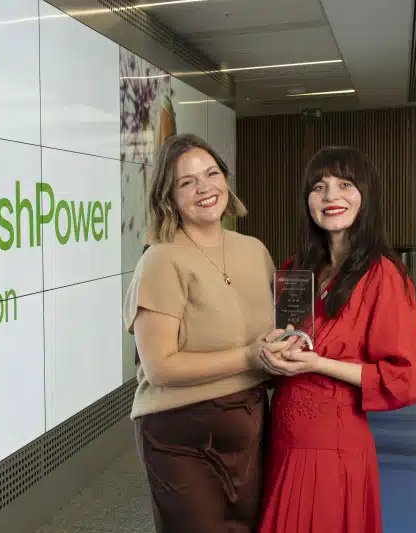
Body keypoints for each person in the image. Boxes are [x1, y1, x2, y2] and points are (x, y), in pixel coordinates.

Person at [123, 133, 295, 533]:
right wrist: (249, 357)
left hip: (250, 421)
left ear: (226, 180)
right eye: (187, 182)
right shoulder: (161, 260)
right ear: (169, 196)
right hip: (179, 434)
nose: (204, 187)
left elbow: (273, 334)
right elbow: (160, 367)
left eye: (212, 173)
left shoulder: (254, 250)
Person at [257, 146, 416, 533]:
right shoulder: (297, 267)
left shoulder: (384, 276)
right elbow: (287, 342)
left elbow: (406, 377)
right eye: (319, 186)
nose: (331, 196)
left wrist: (318, 363)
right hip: (282, 435)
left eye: (344, 184)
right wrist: (270, 352)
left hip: (332, 446)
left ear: (365, 196)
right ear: (308, 201)